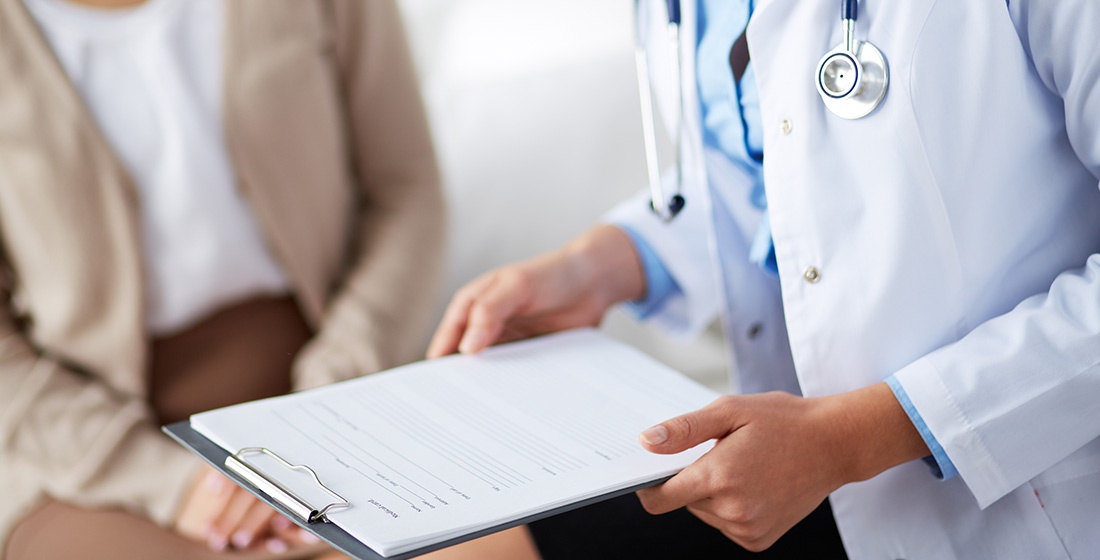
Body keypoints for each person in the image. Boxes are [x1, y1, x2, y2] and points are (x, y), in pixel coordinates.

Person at [428, 0, 1100, 558]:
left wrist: (854, 437)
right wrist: (608, 262)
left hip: (1026, 497)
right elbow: (773, 176)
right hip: (793, 469)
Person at [0, 0, 450, 557]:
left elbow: (406, 191)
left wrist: (330, 410)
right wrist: (175, 484)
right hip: (85, 454)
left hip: (340, 386)